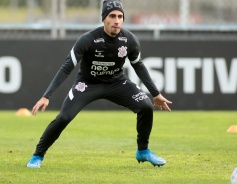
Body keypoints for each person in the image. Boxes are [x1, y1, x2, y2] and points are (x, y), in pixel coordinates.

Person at [26, 0, 172, 168]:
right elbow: (67, 67)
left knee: (146, 106)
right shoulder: (87, 39)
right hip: (87, 84)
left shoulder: (129, 40)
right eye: (112, 16)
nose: (117, 20)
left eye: (120, 16)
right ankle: (38, 155)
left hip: (117, 82)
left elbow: (138, 65)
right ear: (104, 19)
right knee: (64, 117)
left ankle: (143, 151)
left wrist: (155, 93)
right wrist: (46, 96)